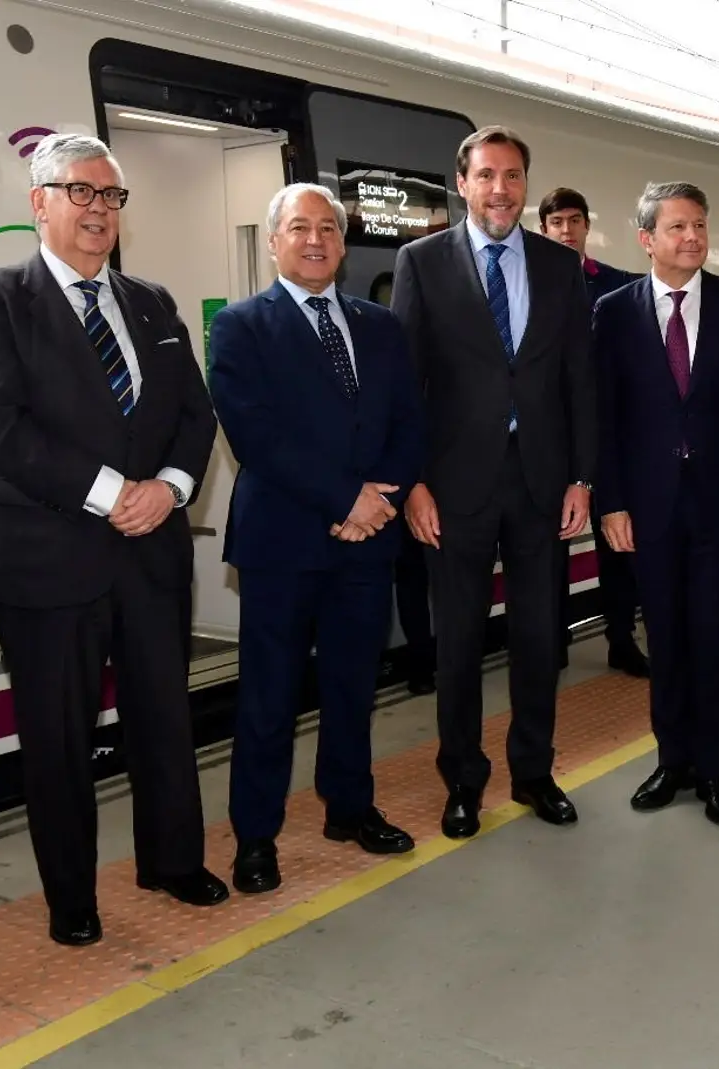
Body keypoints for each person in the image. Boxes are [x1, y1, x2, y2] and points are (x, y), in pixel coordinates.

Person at [0, 133, 227, 946]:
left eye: (110, 196)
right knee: (59, 738)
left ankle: (172, 860)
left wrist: (171, 490)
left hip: (150, 556)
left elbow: (195, 415)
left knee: (163, 720)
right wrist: (116, 496)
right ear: (39, 203)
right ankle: (72, 895)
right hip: (49, 562)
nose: (99, 209)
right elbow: (1, 424)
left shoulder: (152, 302)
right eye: (81, 192)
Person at [208, 183, 425, 894]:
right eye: (298, 227)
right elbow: (255, 436)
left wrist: (378, 499)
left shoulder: (379, 324)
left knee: (352, 687)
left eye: (327, 228)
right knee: (269, 697)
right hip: (282, 544)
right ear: (272, 241)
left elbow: (407, 421)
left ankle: (350, 808)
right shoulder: (241, 326)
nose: (314, 239)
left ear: (342, 241)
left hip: (368, 540)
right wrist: (345, 499)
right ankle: (256, 837)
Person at [391, 126, 597, 838]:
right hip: (452, 489)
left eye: (513, 177)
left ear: (525, 185)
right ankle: (463, 781)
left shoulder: (559, 265)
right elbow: (404, 387)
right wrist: (411, 483)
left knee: (542, 638)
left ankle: (534, 773)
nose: (501, 190)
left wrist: (582, 477)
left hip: (541, 482)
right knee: (458, 645)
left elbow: (578, 379)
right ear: (463, 182)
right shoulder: (421, 262)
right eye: (487, 176)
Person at [595, 182, 719, 827]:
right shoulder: (613, 313)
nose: (692, 237)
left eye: (699, 224)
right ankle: (672, 761)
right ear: (647, 239)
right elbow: (604, 417)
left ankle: (717, 771)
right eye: (676, 227)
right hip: (649, 507)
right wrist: (611, 501)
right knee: (664, 637)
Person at [538, 186, 649, 679]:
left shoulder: (619, 287)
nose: (566, 230)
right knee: (545, 546)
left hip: (607, 435)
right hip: (546, 439)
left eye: (574, 220)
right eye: (556, 222)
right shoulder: (526, 284)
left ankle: (621, 639)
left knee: (616, 540)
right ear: (543, 229)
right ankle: (552, 642)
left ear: (587, 226)